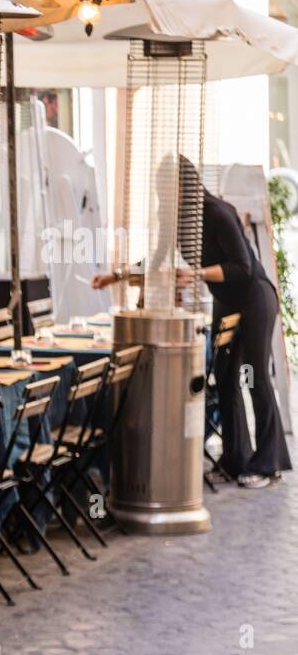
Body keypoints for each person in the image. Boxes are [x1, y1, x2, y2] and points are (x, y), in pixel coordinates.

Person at [93, 161, 292, 487]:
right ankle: (235, 458)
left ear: (184, 186)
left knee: (253, 375)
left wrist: (197, 274)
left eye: (166, 188)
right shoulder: (175, 220)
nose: (162, 195)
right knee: (225, 377)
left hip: (254, 299)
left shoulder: (217, 213)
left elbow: (242, 266)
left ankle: (268, 463)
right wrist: (115, 276)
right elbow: (157, 258)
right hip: (226, 302)